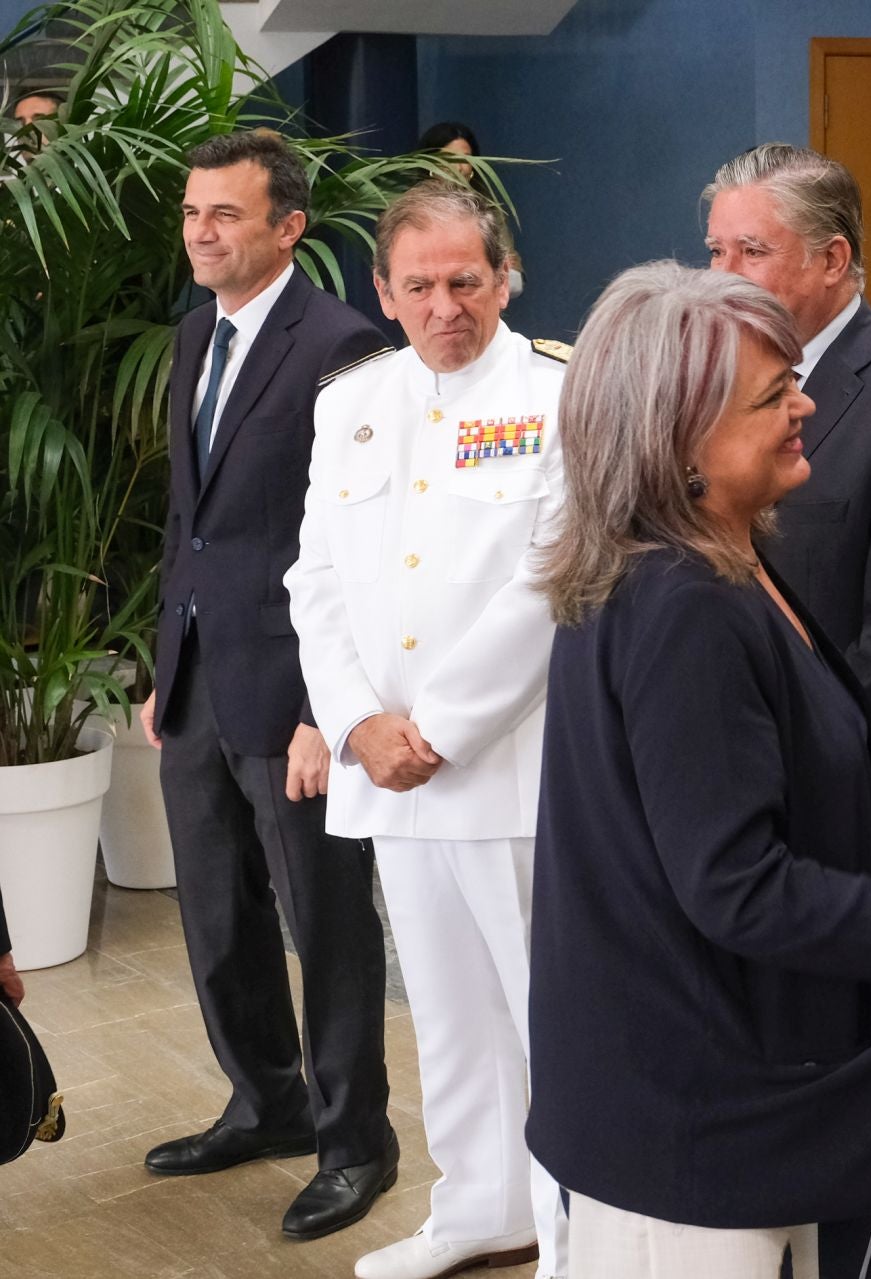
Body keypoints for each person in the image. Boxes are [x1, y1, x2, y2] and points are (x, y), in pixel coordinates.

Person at [523, 262, 871, 1279]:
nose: (805, 405)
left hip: (761, 1092)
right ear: (679, 442)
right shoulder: (684, 605)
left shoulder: (718, 561)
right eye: (772, 396)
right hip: (713, 1126)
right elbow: (736, 885)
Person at [285, 180, 570, 1279]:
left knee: (545, 1016)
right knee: (447, 1012)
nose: (446, 304)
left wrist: (436, 727)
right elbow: (314, 578)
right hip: (387, 775)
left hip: (505, 765)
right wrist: (356, 721)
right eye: (422, 285)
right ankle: (475, 1207)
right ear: (384, 292)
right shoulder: (351, 401)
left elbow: (553, 582)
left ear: (503, 277)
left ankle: (564, 1225)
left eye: (467, 280)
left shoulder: (556, 390)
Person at [139, 129, 396, 1243]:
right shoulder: (198, 332)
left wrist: (319, 713)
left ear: (288, 227)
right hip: (198, 681)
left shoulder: (343, 344)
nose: (202, 232)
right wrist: (162, 665)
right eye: (194, 213)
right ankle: (268, 1100)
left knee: (326, 924)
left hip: (295, 694)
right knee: (215, 918)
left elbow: (358, 543)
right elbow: (187, 525)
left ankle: (356, 1142)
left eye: (225, 215)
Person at [705, 143, 871, 718]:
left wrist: (795, 746)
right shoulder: (711, 389)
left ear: (832, 260)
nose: (722, 278)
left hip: (829, 757)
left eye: (752, 252)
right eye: (715, 251)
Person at [416, 121, 524, 297]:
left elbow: (513, 275)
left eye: (466, 158)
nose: (459, 167)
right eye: (449, 159)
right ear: (429, 163)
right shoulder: (409, 209)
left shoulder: (487, 207)